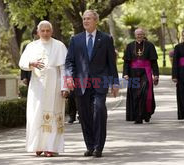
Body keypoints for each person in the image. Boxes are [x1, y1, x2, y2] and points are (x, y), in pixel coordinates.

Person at [65, 10, 119, 158]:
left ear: (96, 21)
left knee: (99, 110)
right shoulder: (75, 39)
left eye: (89, 18)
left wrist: (115, 83)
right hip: (81, 84)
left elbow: (111, 63)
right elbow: (69, 61)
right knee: (84, 115)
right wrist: (69, 77)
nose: (85, 21)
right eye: (84, 19)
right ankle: (90, 145)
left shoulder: (106, 39)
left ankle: (98, 147)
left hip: (99, 82)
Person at [19, 20, 69, 157]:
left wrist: (65, 87)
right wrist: (32, 63)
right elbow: (22, 63)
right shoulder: (31, 46)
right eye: (43, 30)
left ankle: (51, 147)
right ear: (38, 32)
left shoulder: (59, 46)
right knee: (35, 115)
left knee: (53, 115)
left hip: (55, 85)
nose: (45, 33)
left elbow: (64, 68)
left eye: (48, 30)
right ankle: (38, 145)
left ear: (52, 32)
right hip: (37, 86)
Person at [123, 28, 159, 124]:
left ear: (144, 35)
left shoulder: (149, 45)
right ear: (135, 35)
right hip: (133, 73)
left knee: (145, 93)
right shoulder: (130, 46)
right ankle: (138, 116)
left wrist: (156, 74)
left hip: (145, 72)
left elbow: (154, 62)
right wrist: (125, 73)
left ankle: (146, 114)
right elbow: (127, 62)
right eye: (138, 34)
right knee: (135, 95)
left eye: (141, 34)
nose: (139, 36)